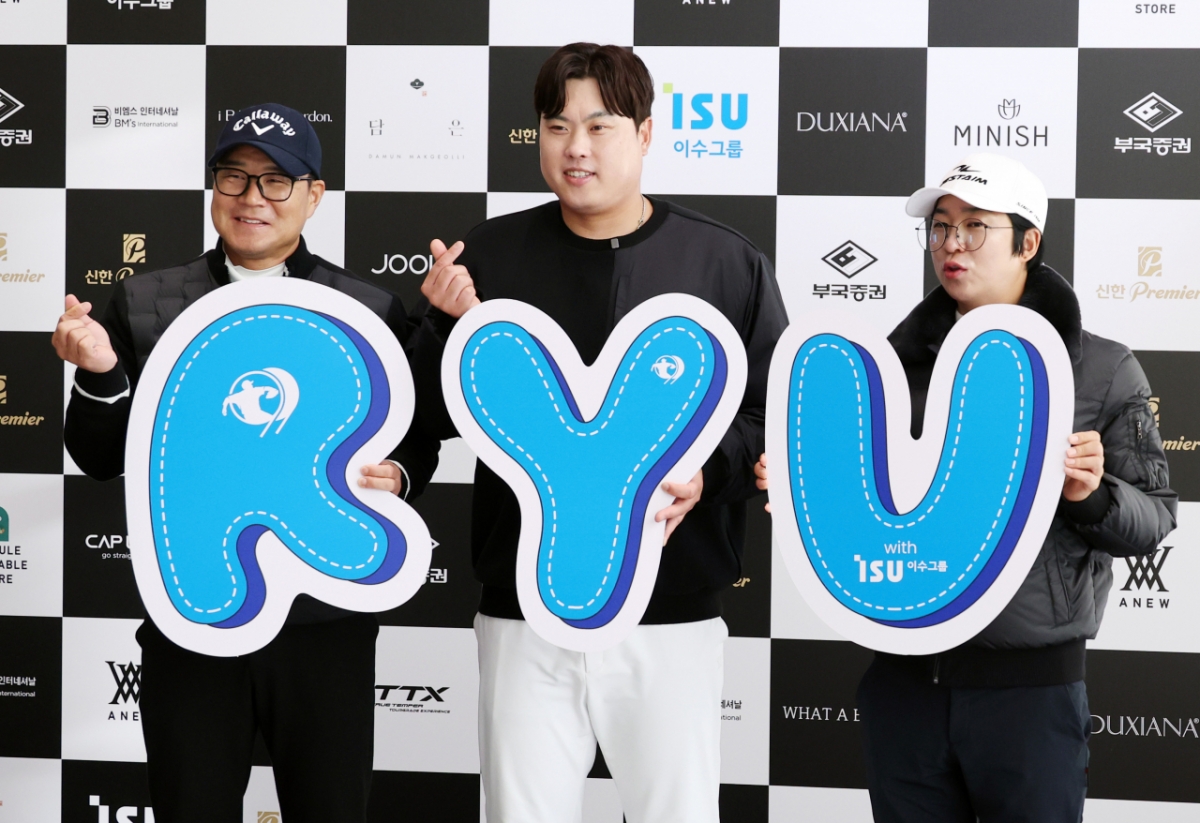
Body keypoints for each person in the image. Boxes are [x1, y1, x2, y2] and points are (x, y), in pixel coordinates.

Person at [410, 43, 787, 823]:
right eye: (557, 126)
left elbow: (772, 415)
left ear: (645, 134)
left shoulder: (724, 261)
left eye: (599, 126)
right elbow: (426, 415)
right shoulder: (489, 256)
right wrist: (441, 324)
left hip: (672, 608)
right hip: (522, 611)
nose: (575, 147)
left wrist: (708, 473)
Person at [756, 152, 1177, 823]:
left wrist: (1091, 495)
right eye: (940, 227)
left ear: (1028, 243)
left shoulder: (1101, 369)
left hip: (1030, 694)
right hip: (903, 686)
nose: (951, 244)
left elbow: (1154, 519)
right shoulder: (891, 365)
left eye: (975, 226)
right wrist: (805, 486)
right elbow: (865, 505)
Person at [53, 103, 437, 823]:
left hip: (327, 623)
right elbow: (100, 458)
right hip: (193, 618)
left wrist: (400, 476)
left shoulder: (366, 310)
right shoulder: (143, 302)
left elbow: (415, 439)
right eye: (234, 176)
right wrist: (101, 374)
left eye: (276, 181)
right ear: (214, 188)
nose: (251, 197)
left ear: (314, 196)